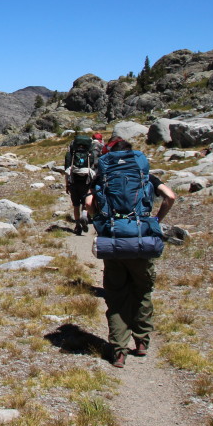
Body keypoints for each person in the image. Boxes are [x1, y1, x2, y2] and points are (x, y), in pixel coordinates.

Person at [84, 137, 177, 368]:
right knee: (142, 291)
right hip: (141, 240)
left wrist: (101, 223)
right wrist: (155, 220)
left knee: (116, 298)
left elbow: (87, 203)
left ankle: (118, 351)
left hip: (114, 241)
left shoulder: (103, 176)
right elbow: (171, 196)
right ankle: (142, 341)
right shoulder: (144, 174)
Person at [64, 134, 97, 235]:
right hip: (86, 182)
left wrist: (67, 185)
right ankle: (84, 215)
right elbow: (93, 168)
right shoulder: (90, 154)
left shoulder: (70, 154)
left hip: (73, 182)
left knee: (75, 205)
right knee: (84, 202)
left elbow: (66, 171)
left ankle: (77, 225)